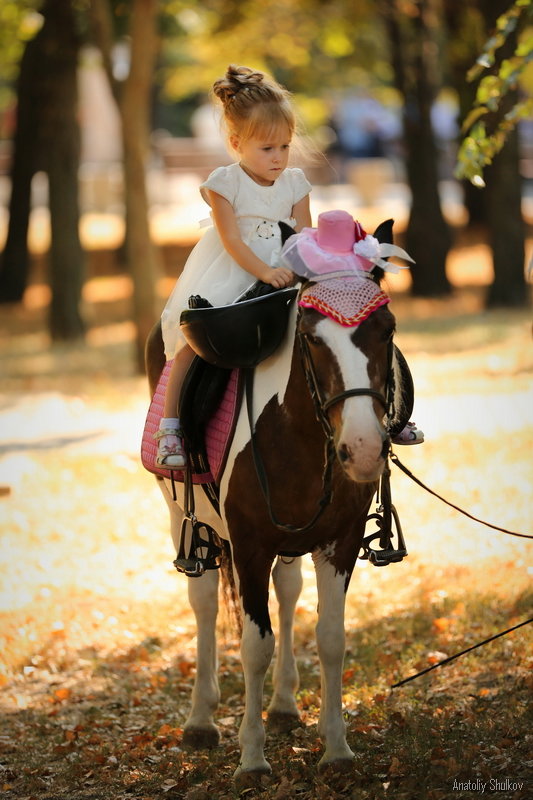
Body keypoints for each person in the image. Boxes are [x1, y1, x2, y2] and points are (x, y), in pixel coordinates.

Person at [155, 64, 312, 468]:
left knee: (342, 322)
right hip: (236, 271)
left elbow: (302, 236)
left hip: (285, 273)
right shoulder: (225, 183)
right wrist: (264, 273)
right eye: (267, 149)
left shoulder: (295, 183)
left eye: (284, 146)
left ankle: (383, 409)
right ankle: (170, 427)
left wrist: (302, 268)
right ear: (236, 142)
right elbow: (232, 241)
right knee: (195, 339)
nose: (278, 158)